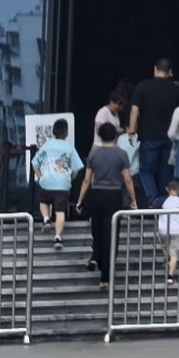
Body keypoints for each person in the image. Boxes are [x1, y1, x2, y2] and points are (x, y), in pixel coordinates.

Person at [76, 116, 138, 289]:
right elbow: (127, 179)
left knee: (97, 231)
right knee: (111, 234)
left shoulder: (94, 154)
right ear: (115, 136)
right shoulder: (121, 154)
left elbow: (87, 180)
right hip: (113, 196)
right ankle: (105, 278)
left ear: (100, 135)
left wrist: (80, 200)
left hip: (96, 194)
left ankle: (95, 256)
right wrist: (133, 200)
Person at [132, 56, 179, 205]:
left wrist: (131, 130)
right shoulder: (176, 90)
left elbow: (134, 110)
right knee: (165, 171)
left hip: (148, 136)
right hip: (169, 137)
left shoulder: (142, 86)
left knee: (146, 170)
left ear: (155, 69)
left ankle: (153, 200)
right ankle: (164, 201)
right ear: (169, 72)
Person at [30, 116, 83, 242]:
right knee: (60, 211)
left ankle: (46, 219)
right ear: (66, 133)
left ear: (53, 132)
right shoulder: (69, 147)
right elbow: (78, 168)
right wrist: (70, 178)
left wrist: (40, 176)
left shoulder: (46, 146)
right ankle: (58, 236)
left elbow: (34, 163)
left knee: (43, 200)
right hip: (63, 184)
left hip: (46, 182)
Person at [158, 176, 179, 277]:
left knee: (166, 248)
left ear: (167, 189)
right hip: (176, 230)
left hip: (163, 229)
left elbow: (154, 205)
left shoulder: (162, 200)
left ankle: (168, 260)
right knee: (174, 252)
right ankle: (170, 275)